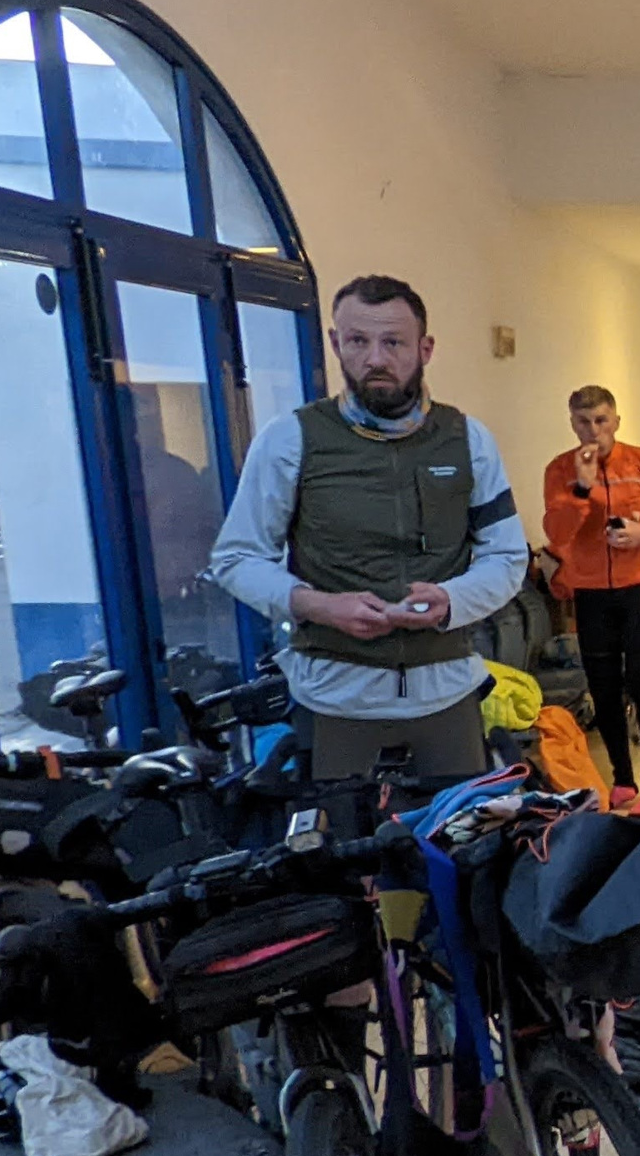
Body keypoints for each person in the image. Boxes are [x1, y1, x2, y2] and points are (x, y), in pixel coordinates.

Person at [206, 274, 527, 778]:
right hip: (334, 700)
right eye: (358, 341)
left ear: (425, 349)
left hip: (447, 695)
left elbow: (506, 556)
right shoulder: (290, 439)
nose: (376, 358)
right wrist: (318, 605)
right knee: (337, 831)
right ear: (336, 344)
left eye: (393, 342)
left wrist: (452, 601)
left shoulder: (468, 440)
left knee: (463, 828)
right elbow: (236, 557)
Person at [539, 387, 640, 793]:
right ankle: (622, 778)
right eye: (584, 422)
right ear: (572, 424)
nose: (593, 430)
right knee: (603, 687)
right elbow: (556, 532)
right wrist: (581, 489)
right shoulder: (560, 470)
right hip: (590, 590)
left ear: (616, 421)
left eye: (601, 420)